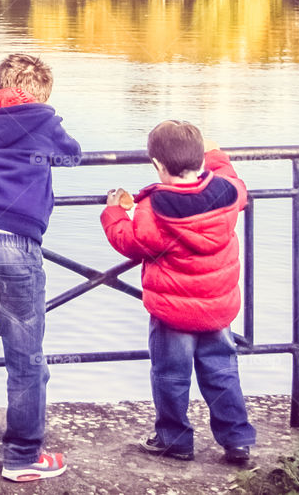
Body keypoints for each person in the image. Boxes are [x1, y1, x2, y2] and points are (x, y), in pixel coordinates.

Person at [0, 53, 81, 482]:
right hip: (15, 242)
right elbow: (72, 156)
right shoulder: (43, 119)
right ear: (42, 92)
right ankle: (23, 457)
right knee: (25, 357)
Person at [100, 120, 256, 466]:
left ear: (157, 165)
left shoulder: (155, 209)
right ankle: (237, 440)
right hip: (218, 309)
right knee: (222, 372)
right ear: (200, 158)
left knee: (171, 375)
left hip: (173, 315)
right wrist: (216, 155)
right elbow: (234, 180)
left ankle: (175, 440)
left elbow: (130, 241)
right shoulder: (228, 195)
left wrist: (113, 212)